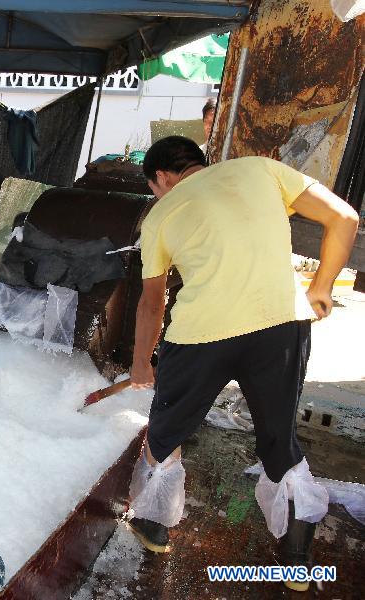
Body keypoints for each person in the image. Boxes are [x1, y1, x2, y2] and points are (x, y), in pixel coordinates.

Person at [127, 136, 357, 591]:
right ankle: (296, 561)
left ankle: (153, 526)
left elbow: (153, 302)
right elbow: (345, 217)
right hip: (280, 326)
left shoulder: (159, 214)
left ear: (162, 178)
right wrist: (322, 286)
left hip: (200, 335)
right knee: (279, 439)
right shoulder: (259, 168)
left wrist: (141, 363)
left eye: (155, 187)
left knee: (167, 428)